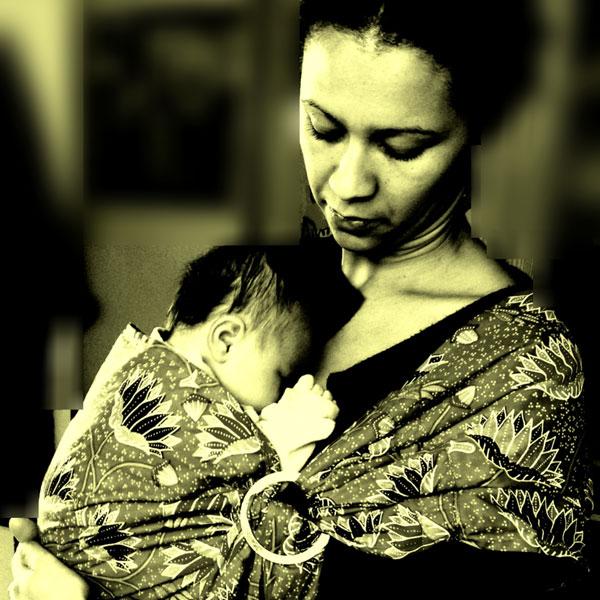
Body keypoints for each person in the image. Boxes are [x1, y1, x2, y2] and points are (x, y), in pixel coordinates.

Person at [10, 1, 592, 597]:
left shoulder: (521, 369)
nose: (347, 184)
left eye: (402, 147)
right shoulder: (263, 287)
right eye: (323, 129)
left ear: (478, 126)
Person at [33, 247, 340, 599]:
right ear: (226, 340)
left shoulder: (141, 359)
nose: (278, 395)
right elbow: (260, 471)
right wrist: (298, 424)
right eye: (281, 375)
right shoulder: (171, 389)